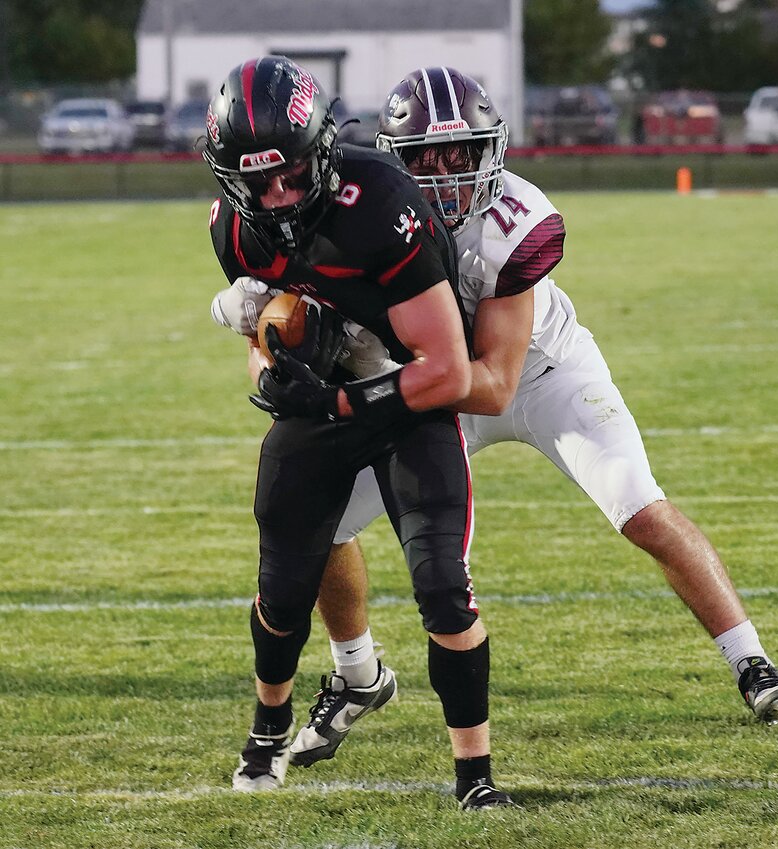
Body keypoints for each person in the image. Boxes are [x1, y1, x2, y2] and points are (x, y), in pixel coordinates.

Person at [283, 67, 778, 768]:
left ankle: (752, 661)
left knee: (638, 505)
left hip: (536, 372)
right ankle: (357, 673)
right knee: (320, 525)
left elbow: (495, 383)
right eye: (423, 160)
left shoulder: (516, 219)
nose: (442, 178)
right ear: (392, 161)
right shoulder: (363, 211)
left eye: (459, 154)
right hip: (429, 384)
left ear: (491, 149)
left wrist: (358, 393)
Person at [203, 56, 513, 810]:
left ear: (323, 149)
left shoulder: (379, 202)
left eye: (289, 172)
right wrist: (269, 367)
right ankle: (267, 731)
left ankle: (475, 775)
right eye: (256, 179)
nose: (275, 195)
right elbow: (271, 328)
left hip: (407, 398)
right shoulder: (234, 232)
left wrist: (336, 404)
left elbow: (446, 370)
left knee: (443, 583)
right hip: (324, 398)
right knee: (282, 582)